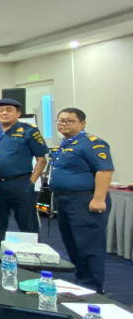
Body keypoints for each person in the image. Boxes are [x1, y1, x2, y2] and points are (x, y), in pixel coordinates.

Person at [49, 108, 114, 293]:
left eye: (69, 121)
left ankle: (93, 288)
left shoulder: (92, 143)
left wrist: (98, 199)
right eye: (60, 120)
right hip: (64, 201)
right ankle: (82, 281)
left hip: (85, 201)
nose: (63, 124)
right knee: (72, 244)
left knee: (89, 246)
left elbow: (105, 171)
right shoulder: (65, 143)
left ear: (82, 124)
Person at [0, 98, 49, 239]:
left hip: (20, 184)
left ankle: (31, 257)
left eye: (9, 110)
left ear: (18, 114)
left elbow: (41, 160)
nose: (4, 113)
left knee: (27, 225)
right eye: (1, 110)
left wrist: (31, 183)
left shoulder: (29, 131)